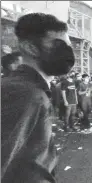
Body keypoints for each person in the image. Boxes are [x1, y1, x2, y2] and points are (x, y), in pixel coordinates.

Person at [1, 13, 75, 183]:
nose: (68, 53)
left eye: (69, 46)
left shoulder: (33, 90)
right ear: (30, 48)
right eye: (58, 44)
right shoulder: (23, 93)